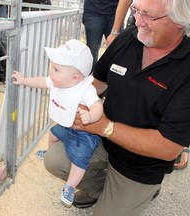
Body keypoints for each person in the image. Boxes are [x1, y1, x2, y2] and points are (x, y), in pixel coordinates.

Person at [44, 0, 190, 215]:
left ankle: (144, 190)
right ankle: (97, 189)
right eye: (137, 10)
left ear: (180, 21)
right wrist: (73, 98)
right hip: (102, 142)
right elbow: (98, 81)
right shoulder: (128, 38)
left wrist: (104, 127)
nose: (139, 21)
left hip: (141, 165)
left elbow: (168, 149)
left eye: (150, 16)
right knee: (54, 160)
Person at [12, 39, 103, 206]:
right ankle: (49, 151)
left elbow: (98, 106)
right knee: (53, 134)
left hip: (83, 134)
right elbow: (40, 81)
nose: (50, 73)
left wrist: (90, 116)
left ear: (75, 78)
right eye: (51, 67)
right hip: (66, 125)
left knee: (79, 161)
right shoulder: (57, 81)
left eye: (56, 69)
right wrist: (24, 80)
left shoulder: (84, 89)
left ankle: (69, 186)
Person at [82, 0, 132, 72]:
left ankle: (111, 79)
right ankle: (91, 80)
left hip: (117, 12)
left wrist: (115, 32)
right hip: (93, 10)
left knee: (117, 52)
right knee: (92, 50)